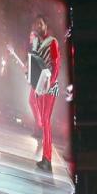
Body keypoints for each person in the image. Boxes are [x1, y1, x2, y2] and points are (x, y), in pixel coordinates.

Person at [28, 15, 60, 173]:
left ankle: (48, 159)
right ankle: (46, 159)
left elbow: (56, 64)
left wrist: (50, 83)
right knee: (45, 121)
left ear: (46, 25)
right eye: (37, 24)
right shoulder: (39, 44)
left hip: (51, 86)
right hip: (42, 85)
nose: (38, 26)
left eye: (40, 24)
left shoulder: (52, 42)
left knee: (46, 121)